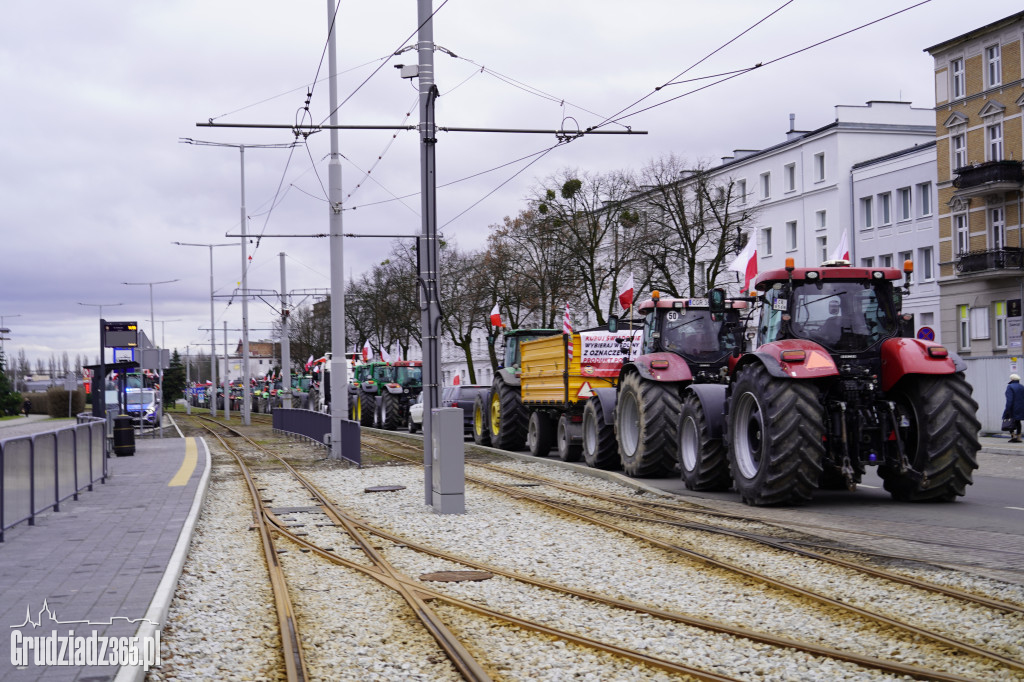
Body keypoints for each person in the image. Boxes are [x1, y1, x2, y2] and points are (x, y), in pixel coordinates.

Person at [1003, 373, 1024, 443]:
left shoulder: (1010, 386)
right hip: (1021, 408)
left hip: (1012, 408)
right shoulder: (1021, 387)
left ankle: (1013, 436)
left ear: (1011, 379)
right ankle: (1019, 437)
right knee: (1018, 422)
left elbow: (1010, 399)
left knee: (1009, 421)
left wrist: (1007, 409)